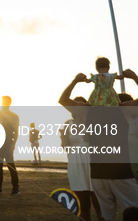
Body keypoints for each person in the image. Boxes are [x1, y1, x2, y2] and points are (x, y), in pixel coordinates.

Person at [59, 70, 138, 221]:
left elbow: (63, 100)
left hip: (97, 174)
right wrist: (133, 77)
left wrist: (75, 81)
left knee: (107, 216)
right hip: (120, 173)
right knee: (133, 212)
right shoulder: (123, 109)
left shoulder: (89, 112)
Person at [60, 96, 103, 221]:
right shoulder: (68, 124)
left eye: (82, 105)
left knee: (99, 202)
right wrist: (64, 138)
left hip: (94, 161)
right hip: (76, 162)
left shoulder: (95, 122)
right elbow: (65, 145)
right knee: (82, 204)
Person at [0, 96, 20, 195]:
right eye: (2, 101)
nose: (3, 103)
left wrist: (13, 144)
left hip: (8, 143)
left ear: (9, 103)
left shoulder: (14, 116)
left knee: (11, 165)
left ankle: (15, 188)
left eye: (5, 102)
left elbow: (16, 131)